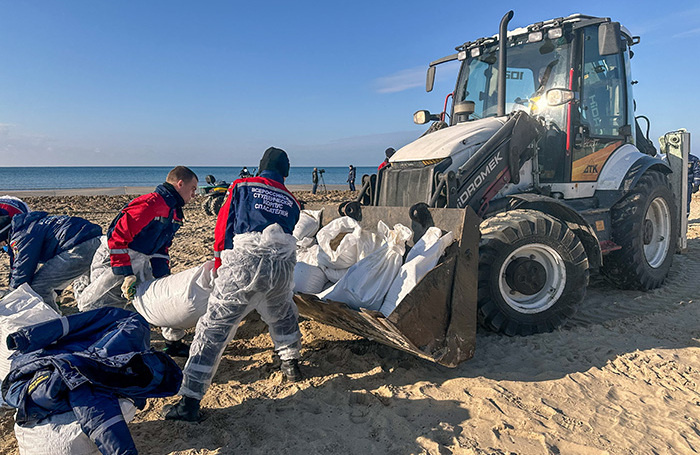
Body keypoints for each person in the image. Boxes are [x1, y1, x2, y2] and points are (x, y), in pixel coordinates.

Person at [164, 147, 302, 422]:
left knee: (214, 328)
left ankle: (190, 401)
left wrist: (219, 262)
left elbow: (224, 225)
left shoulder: (242, 185)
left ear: (261, 166)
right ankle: (291, 364)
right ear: (285, 172)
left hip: (245, 264)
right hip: (282, 269)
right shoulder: (292, 199)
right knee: (282, 313)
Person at [77, 166, 198, 357]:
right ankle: (91, 341)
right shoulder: (151, 204)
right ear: (180, 183)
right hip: (116, 257)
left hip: (143, 259)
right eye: (192, 189)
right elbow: (117, 236)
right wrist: (125, 273)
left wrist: (162, 276)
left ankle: (173, 342)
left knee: (161, 298)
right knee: (93, 302)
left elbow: (161, 247)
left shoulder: (173, 213)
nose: (193, 195)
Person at [0, 211, 102, 311]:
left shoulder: (21, 235)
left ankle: (53, 320)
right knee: (84, 288)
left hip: (78, 246)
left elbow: (23, 269)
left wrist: (13, 293)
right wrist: (12, 285)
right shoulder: (25, 224)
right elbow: (16, 263)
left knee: (40, 286)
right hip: (90, 238)